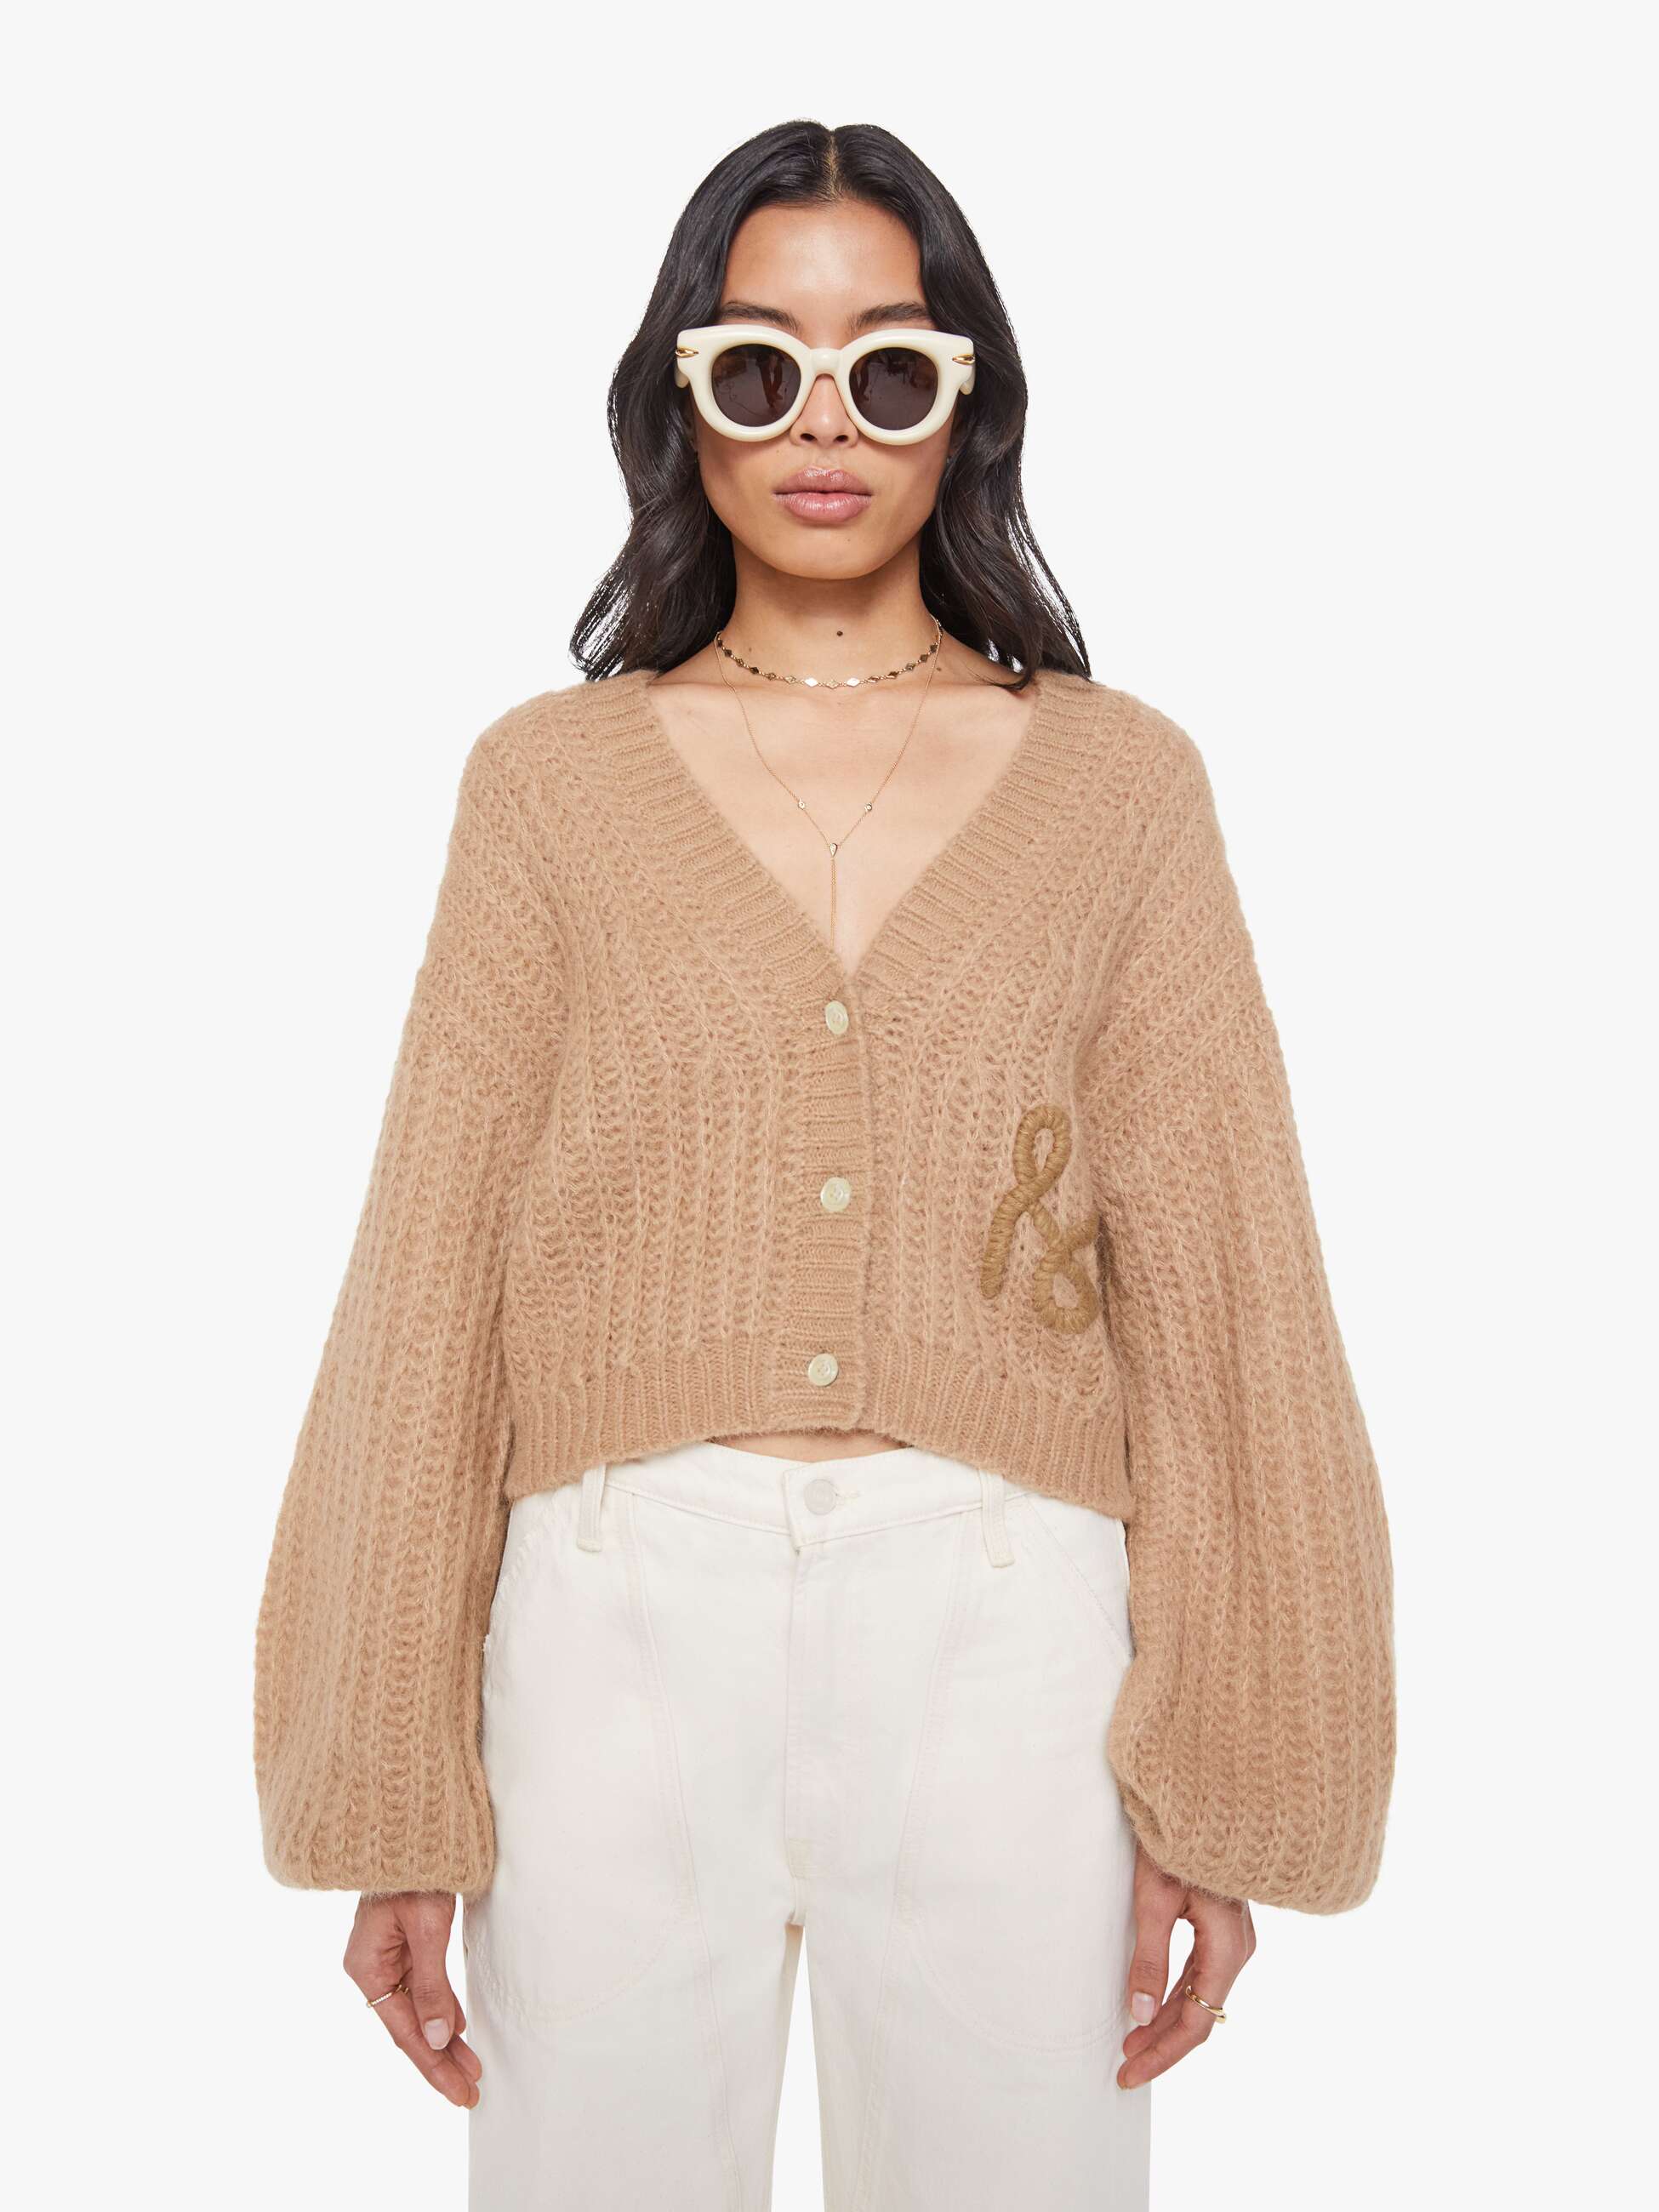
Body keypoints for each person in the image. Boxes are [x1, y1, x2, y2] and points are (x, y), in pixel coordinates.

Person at [253, 118, 1396, 2210]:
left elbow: (1224, 1282)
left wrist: (1228, 1770)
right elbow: (432, 1269)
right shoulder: (550, 786)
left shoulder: (1120, 788)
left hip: (1008, 1624)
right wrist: (388, 1780)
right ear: (682, 397)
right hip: (609, 1618)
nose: (822, 425)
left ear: (965, 403)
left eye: (886, 367)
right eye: (761, 366)